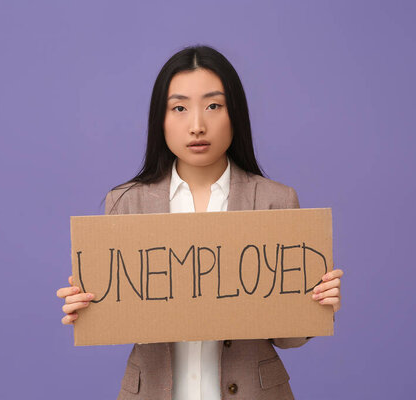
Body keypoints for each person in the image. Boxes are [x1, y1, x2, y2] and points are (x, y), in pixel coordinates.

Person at [56, 45, 344, 400]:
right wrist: (86, 306)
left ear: (234, 114)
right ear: (159, 120)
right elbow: (124, 317)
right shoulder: (125, 203)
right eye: (179, 108)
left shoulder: (276, 201)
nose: (197, 125)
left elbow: (288, 338)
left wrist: (315, 304)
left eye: (213, 106)